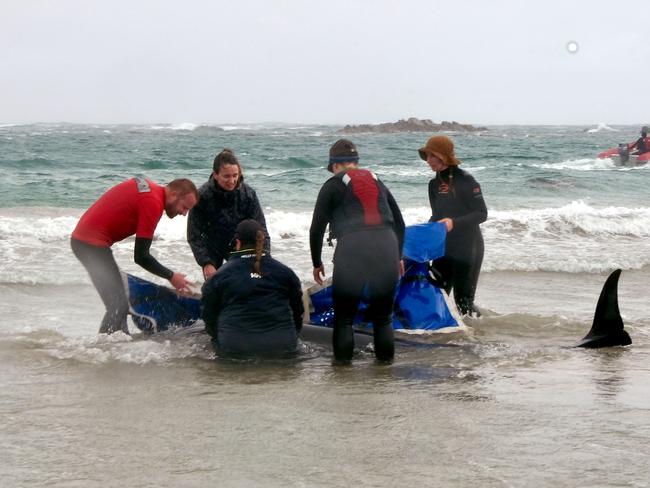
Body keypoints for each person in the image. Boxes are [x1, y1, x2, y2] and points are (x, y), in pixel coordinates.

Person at [309, 139, 405, 363]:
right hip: (387, 246)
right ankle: (384, 373)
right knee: (383, 319)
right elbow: (399, 223)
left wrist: (317, 262)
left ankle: (343, 374)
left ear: (334, 165)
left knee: (344, 319)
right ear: (356, 162)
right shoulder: (377, 180)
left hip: (353, 248)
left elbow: (316, 228)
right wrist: (398, 256)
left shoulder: (332, 185)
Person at [71, 177, 199, 334]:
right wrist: (172, 276)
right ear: (173, 194)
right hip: (90, 246)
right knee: (118, 305)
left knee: (119, 304)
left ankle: (115, 346)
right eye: (184, 207)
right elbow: (141, 256)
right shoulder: (153, 203)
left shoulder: (151, 191)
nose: (184, 214)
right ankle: (104, 349)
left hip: (87, 243)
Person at [201, 219, 304, 358]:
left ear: (237, 243)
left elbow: (208, 315)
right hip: (282, 346)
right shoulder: (285, 273)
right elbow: (298, 312)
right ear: (262, 241)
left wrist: (218, 336)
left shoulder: (219, 276)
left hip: (235, 348)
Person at [419, 135, 487, 316]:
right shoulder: (433, 184)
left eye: (432, 156)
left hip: (468, 247)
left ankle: (476, 336)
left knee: (463, 303)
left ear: (443, 156)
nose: (428, 160)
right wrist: (422, 236)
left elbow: (482, 213)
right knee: (435, 295)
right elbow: (436, 215)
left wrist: (453, 222)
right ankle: (441, 336)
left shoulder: (466, 180)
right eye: (427, 156)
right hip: (445, 249)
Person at [187, 148, 270, 281]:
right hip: (212, 247)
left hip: (239, 245)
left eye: (235, 175)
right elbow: (194, 235)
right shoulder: (202, 196)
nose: (232, 181)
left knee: (251, 281)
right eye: (226, 176)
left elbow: (261, 229)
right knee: (214, 285)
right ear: (215, 175)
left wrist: (264, 257)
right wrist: (206, 263)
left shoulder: (248, 194)